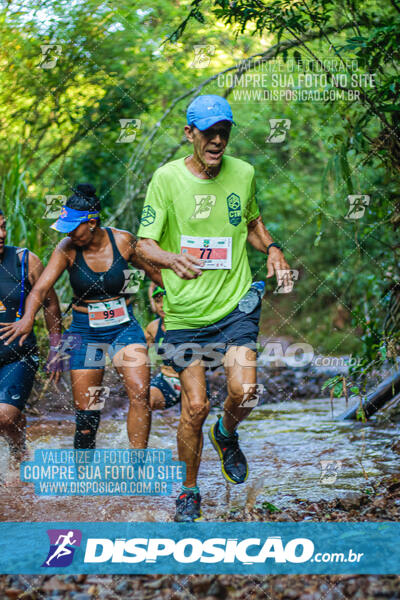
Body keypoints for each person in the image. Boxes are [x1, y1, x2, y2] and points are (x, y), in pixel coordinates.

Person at [136, 94, 291, 521]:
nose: (218, 140)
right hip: (185, 314)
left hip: (235, 304)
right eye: (209, 132)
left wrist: (273, 248)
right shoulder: (166, 180)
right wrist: (170, 259)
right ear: (190, 134)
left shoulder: (244, 173)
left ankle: (227, 432)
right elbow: (142, 243)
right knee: (195, 407)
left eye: (224, 131)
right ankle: (188, 492)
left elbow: (253, 222)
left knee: (245, 391)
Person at [0, 184, 163, 450]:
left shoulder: (123, 241)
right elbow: (41, 288)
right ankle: (83, 474)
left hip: (124, 326)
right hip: (84, 330)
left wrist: (182, 303)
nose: (68, 234)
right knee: (87, 413)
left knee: (140, 393)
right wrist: (28, 317)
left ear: (92, 222)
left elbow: (157, 274)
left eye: (72, 228)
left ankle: (137, 466)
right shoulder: (67, 248)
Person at [0, 209, 62, 465]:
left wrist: (57, 349)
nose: (1, 234)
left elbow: (51, 304)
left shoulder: (25, 260)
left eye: (3, 227)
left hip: (18, 355)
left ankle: (18, 452)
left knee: (3, 415)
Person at [144, 286, 182, 411]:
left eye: (166, 301)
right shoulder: (153, 327)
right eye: (158, 301)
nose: (161, 306)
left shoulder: (190, 324)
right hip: (168, 378)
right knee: (144, 401)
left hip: (193, 380)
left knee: (192, 422)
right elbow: (140, 353)